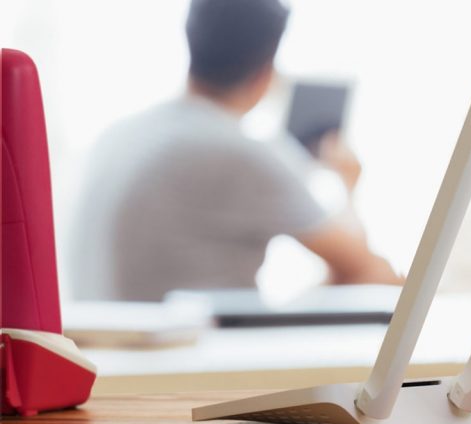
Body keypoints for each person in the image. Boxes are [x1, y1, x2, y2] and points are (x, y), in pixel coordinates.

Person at [69, 0, 401, 301]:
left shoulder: (118, 134)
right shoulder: (238, 152)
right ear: (266, 71)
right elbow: (368, 271)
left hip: (105, 345)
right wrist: (348, 185)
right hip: (195, 347)